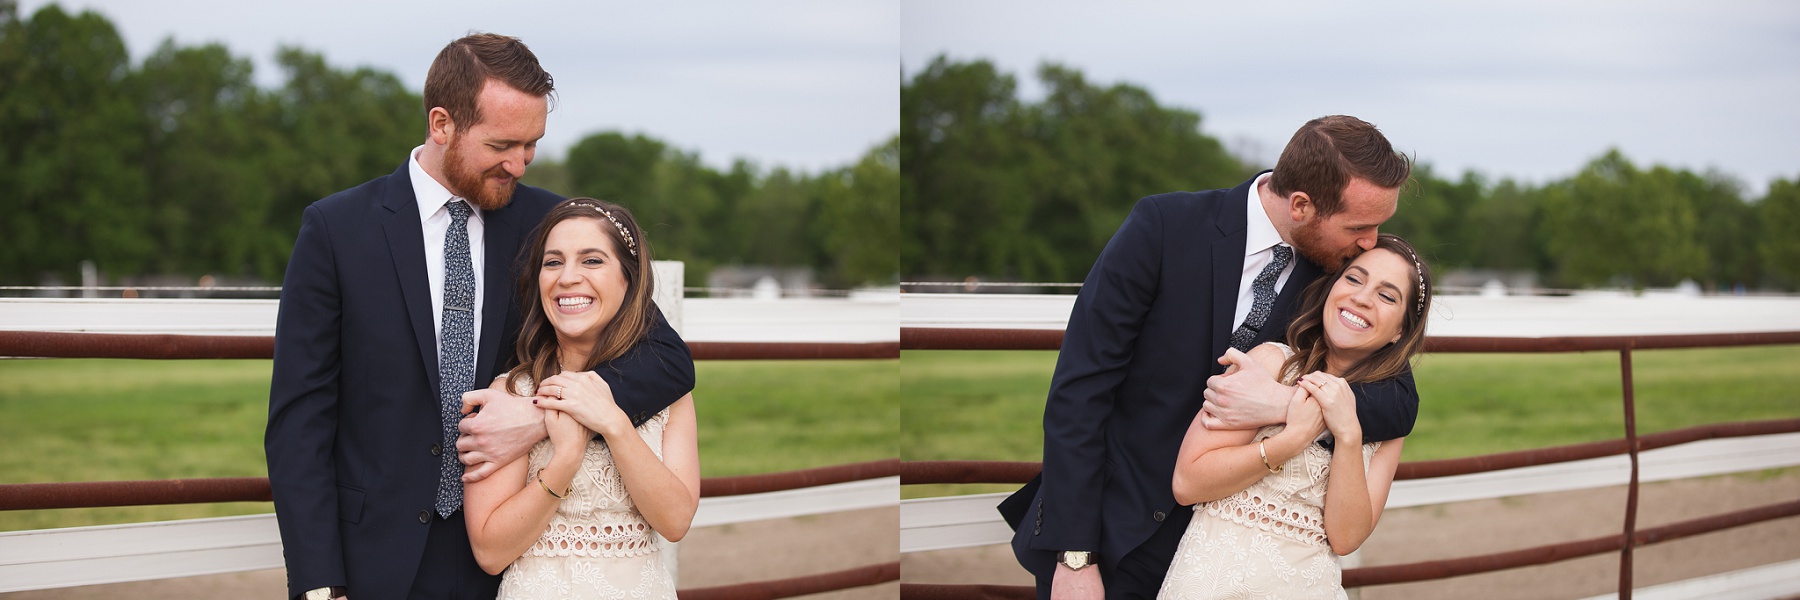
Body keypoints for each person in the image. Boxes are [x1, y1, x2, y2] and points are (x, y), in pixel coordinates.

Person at [267, 34, 694, 600]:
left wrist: (542, 416)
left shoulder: (551, 226)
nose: (518, 163)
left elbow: (667, 360)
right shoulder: (336, 230)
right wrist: (319, 581)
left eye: (532, 145)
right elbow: (300, 419)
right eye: (503, 144)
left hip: (513, 556)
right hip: (374, 556)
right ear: (442, 124)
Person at [1002, 115, 1419, 599]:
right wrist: (1075, 556)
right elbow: (1080, 389)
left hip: (1220, 552)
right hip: (1110, 534)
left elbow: (1397, 400)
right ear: (1302, 205)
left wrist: (1285, 406)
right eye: (1359, 226)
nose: (1369, 242)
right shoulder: (1163, 227)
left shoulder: (1339, 274)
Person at [1159, 234, 1432, 599]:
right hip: (1214, 581)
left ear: (1401, 329)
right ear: (1333, 286)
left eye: (1386, 295)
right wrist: (1290, 441)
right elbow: (1187, 482)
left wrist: (1348, 435)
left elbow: (1346, 537)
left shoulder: (1388, 424)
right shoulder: (1270, 363)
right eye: (1354, 278)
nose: (1362, 298)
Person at [463, 198, 699, 599]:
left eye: (591, 261)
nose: (568, 277)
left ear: (629, 277)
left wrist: (613, 423)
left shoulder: (665, 393)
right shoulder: (512, 393)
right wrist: (564, 461)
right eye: (553, 263)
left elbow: (675, 522)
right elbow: (489, 550)